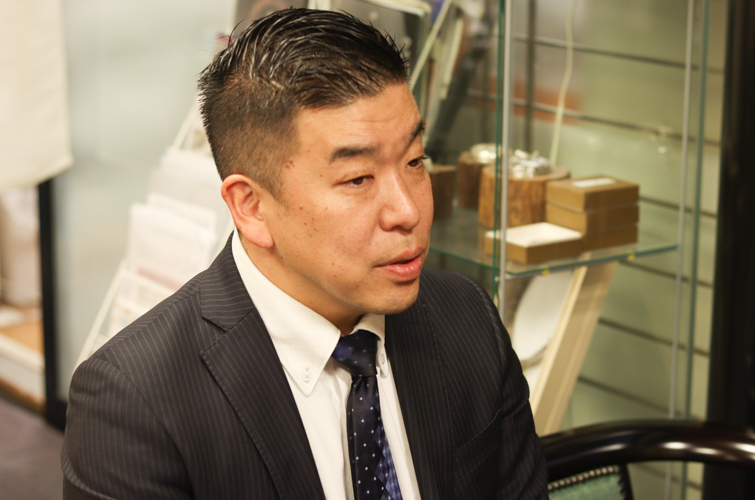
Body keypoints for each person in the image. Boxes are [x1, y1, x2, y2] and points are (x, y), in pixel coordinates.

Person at [62, 8, 548, 500]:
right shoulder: (133, 402)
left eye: (415, 160)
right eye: (358, 179)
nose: (408, 210)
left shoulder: (466, 317)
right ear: (251, 207)